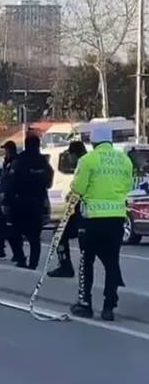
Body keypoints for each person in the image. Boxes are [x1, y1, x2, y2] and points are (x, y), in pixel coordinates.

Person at [69, 126, 133, 321]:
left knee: (86, 261)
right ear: (111, 141)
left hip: (92, 220)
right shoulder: (124, 160)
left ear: (93, 142)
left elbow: (78, 188)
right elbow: (127, 186)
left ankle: (85, 304)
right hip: (116, 218)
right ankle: (109, 307)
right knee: (112, 263)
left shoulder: (87, 160)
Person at [6, 135, 54, 270]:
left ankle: (21, 259)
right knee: (34, 237)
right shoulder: (42, 162)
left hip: (21, 203)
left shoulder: (20, 160)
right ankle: (33, 263)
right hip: (37, 203)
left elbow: (12, 183)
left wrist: (7, 202)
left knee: (14, 234)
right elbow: (49, 180)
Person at [48, 141, 88, 278]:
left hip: (84, 211)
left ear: (74, 154)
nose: (69, 159)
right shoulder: (88, 162)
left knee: (59, 234)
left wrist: (72, 196)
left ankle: (66, 266)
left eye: (70, 155)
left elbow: (80, 188)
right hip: (88, 210)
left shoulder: (84, 164)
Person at [0, 141, 20, 261]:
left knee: (11, 227)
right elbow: (4, 174)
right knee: (1, 225)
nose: (5, 152)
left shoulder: (15, 162)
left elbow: (11, 181)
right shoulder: (7, 162)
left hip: (11, 199)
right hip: (5, 198)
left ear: (10, 150)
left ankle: (18, 253)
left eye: (6, 150)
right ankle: (0, 249)